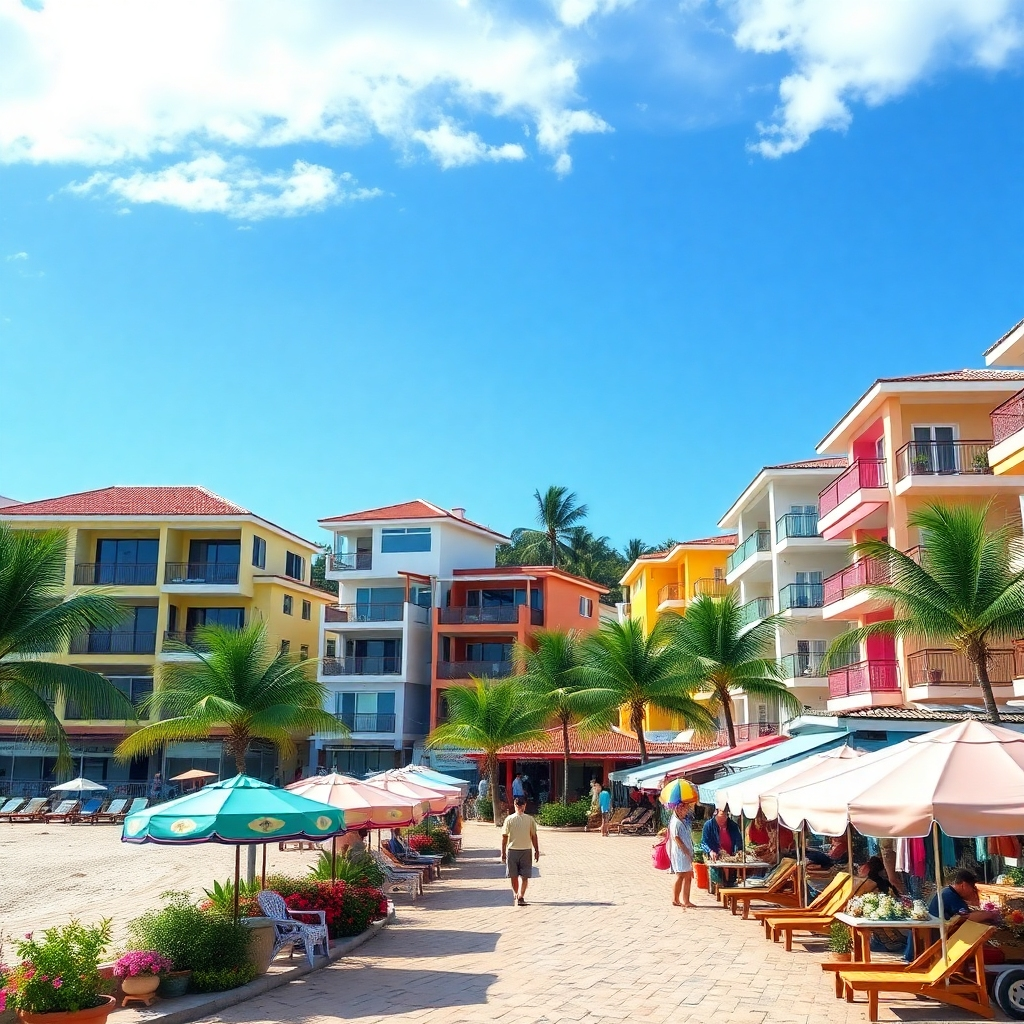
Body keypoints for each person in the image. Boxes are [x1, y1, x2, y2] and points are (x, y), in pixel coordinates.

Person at [903, 868, 999, 961]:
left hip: (939, 934)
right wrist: (990, 914)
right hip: (937, 938)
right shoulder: (950, 896)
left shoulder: (948, 892)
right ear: (964, 885)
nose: (972, 891)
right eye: (972, 888)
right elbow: (967, 918)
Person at [501, 795, 540, 906]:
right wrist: (503, 852)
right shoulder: (510, 819)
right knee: (517, 876)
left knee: (523, 876)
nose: (520, 807)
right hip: (515, 850)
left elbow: (534, 836)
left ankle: (520, 895)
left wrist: (537, 850)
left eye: (521, 805)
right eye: (519, 805)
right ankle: (518, 894)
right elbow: (504, 836)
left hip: (523, 850)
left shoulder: (529, 820)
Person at [701, 808, 743, 887]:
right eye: (721, 816)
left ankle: (729, 886)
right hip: (716, 857)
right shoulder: (708, 825)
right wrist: (710, 851)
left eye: (725, 816)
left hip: (731, 858)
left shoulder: (733, 825)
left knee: (732, 882)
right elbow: (704, 843)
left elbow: (738, 841)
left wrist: (737, 851)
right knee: (720, 881)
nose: (723, 819)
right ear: (716, 813)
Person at [669, 802, 696, 907]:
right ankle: (675, 899)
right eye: (685, 809)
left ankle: (686, 900)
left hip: (687, 851)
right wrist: (685, 850)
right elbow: (676, 838)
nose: (686, 811)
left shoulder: (682, 821)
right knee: (680, 875)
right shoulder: (675, 822)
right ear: (679, 810)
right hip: (681, 852)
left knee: (688, 875)